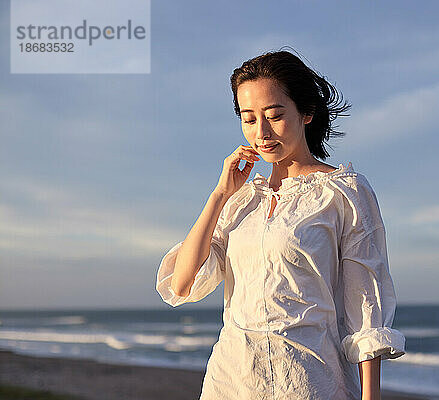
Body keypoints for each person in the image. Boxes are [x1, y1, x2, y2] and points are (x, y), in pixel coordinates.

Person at [156, 48, 406, 400]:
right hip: (231, 383)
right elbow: (181, 285)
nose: (261, 132)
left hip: (310, 384)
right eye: (248, 118)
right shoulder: (240, 200)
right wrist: (219, 194)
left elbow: (366, 308)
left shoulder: (344, 193)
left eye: (274, 115)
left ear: (306, 112)